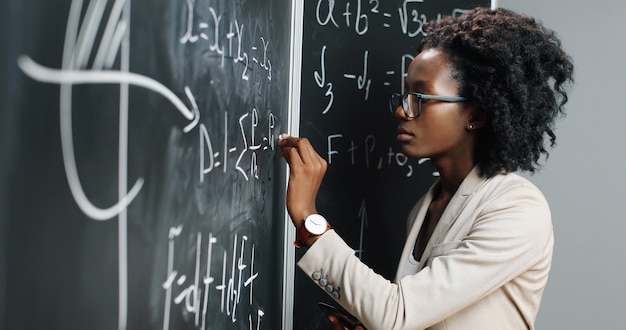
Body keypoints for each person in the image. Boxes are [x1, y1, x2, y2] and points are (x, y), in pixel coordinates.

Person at [278, 7, 573, 330]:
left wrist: (309, 219)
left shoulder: (515, 207)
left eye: (420, 97)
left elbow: (397, 314)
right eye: (405, 95)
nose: (402, 110)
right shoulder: (423, 208)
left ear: (475, 115)